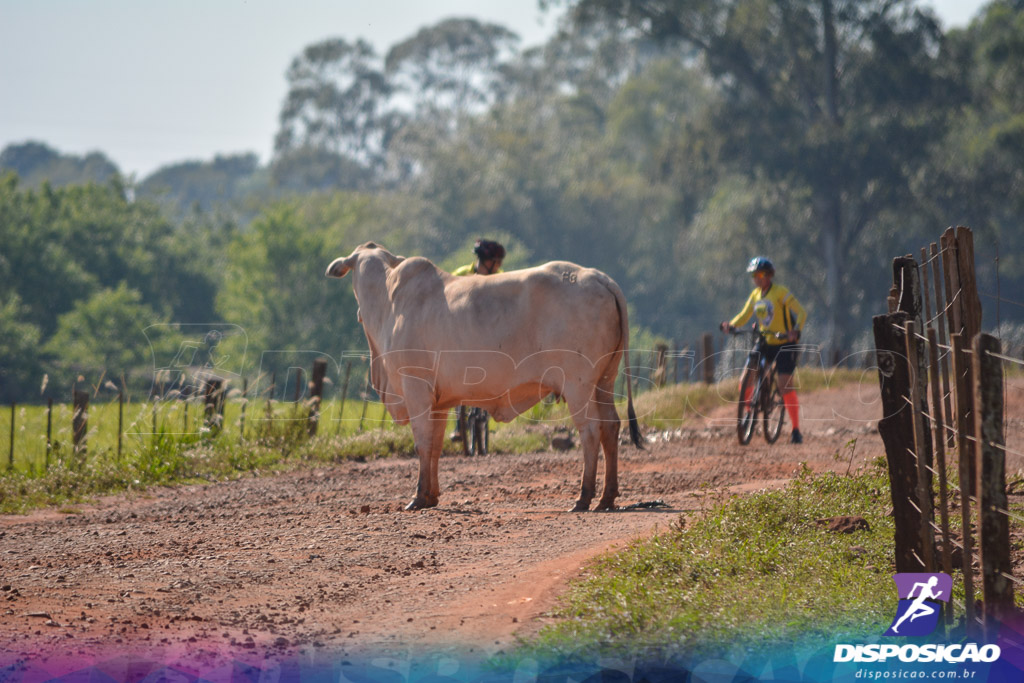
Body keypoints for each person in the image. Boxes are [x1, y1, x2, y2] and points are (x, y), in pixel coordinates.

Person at [720, 256, 808, 444]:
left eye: (760, 274)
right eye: (754, 275)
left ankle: (795, 429)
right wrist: (731, 325)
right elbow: (744, 315)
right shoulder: (755, 295)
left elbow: (801, 312)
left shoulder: (780, 292)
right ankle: (749, 412)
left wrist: (796, 330)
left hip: (785, 342)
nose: (757, 278)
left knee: (785, 385)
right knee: (745, 379)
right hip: (765, 340)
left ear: (769, 275)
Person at [450, 239, 506, 444]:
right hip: (463, 334)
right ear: (486, 261)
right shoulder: (461, 274)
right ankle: (459, 425)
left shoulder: (502, 279)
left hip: (490, 334)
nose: (499, 265)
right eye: (496, 261)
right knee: (457, 382)